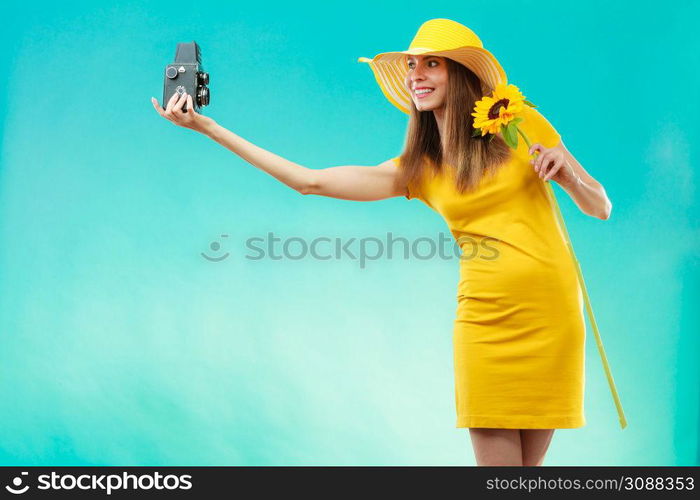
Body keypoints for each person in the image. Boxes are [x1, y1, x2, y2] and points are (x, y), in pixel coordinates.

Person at [151, 18, 612, 466]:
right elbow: (309, 181)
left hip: (553, 318)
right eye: (412, 66)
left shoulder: (521, 125)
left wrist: (567, 173)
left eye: (432, 63)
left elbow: (599, 207)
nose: (417, 75)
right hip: (487, 324)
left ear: (462, 73)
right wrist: (209, 128)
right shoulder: (419, 169)